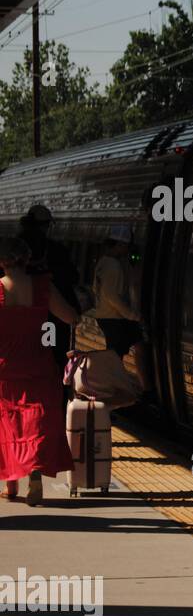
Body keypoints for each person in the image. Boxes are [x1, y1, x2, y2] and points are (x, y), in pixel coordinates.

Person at [0, 236, 78, 505]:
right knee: (36, 419)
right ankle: (34, 470)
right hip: (39, 363)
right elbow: (70, 317)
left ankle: (11, 484)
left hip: (5, 367)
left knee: (8, 423)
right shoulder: (43, 286)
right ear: (28, 258)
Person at [19, 204, 80, 373]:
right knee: (53, 356)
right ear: (46, 225)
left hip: (21, 320)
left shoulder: (13, 248)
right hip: (51, 318)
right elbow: (73, 277)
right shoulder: (56, 249)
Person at [86, 226, 148, 389]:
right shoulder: (113, 266)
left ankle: (125, 387)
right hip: (115, 317)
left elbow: (96, 289)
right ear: (120, 245)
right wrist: (132, 315)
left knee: (131, 349)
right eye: (126, 246)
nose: (127, 250)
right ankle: (113, 389)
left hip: (107, 315)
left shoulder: (103, 262)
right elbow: (111, 296)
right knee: (117, 357)